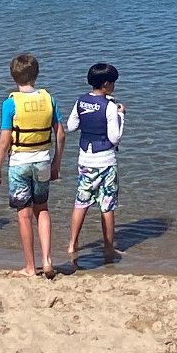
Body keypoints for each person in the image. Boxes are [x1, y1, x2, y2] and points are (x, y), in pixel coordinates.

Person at [0, 53, 65, 276]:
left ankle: (30, 267)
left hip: (20, 163)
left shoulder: (10, 103)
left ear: (13, 76)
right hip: (42, 160)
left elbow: (5, 139)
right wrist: (56, 162)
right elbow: (60, 134)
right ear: (36, 74)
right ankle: (48, 260)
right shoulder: (48, 98)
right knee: (42, 209)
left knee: (24, 214)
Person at [64, 63, 125, 260]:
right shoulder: (109, 107)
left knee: (81, 202)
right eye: (113, 82)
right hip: (105, 160)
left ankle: (72, 244)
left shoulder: (80, 102)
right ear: (106, 84)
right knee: (107, 205)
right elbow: (115, 138)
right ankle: (108, 248)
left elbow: (71, 126)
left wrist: (87, 120)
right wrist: (121, 115)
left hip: (85, 160)